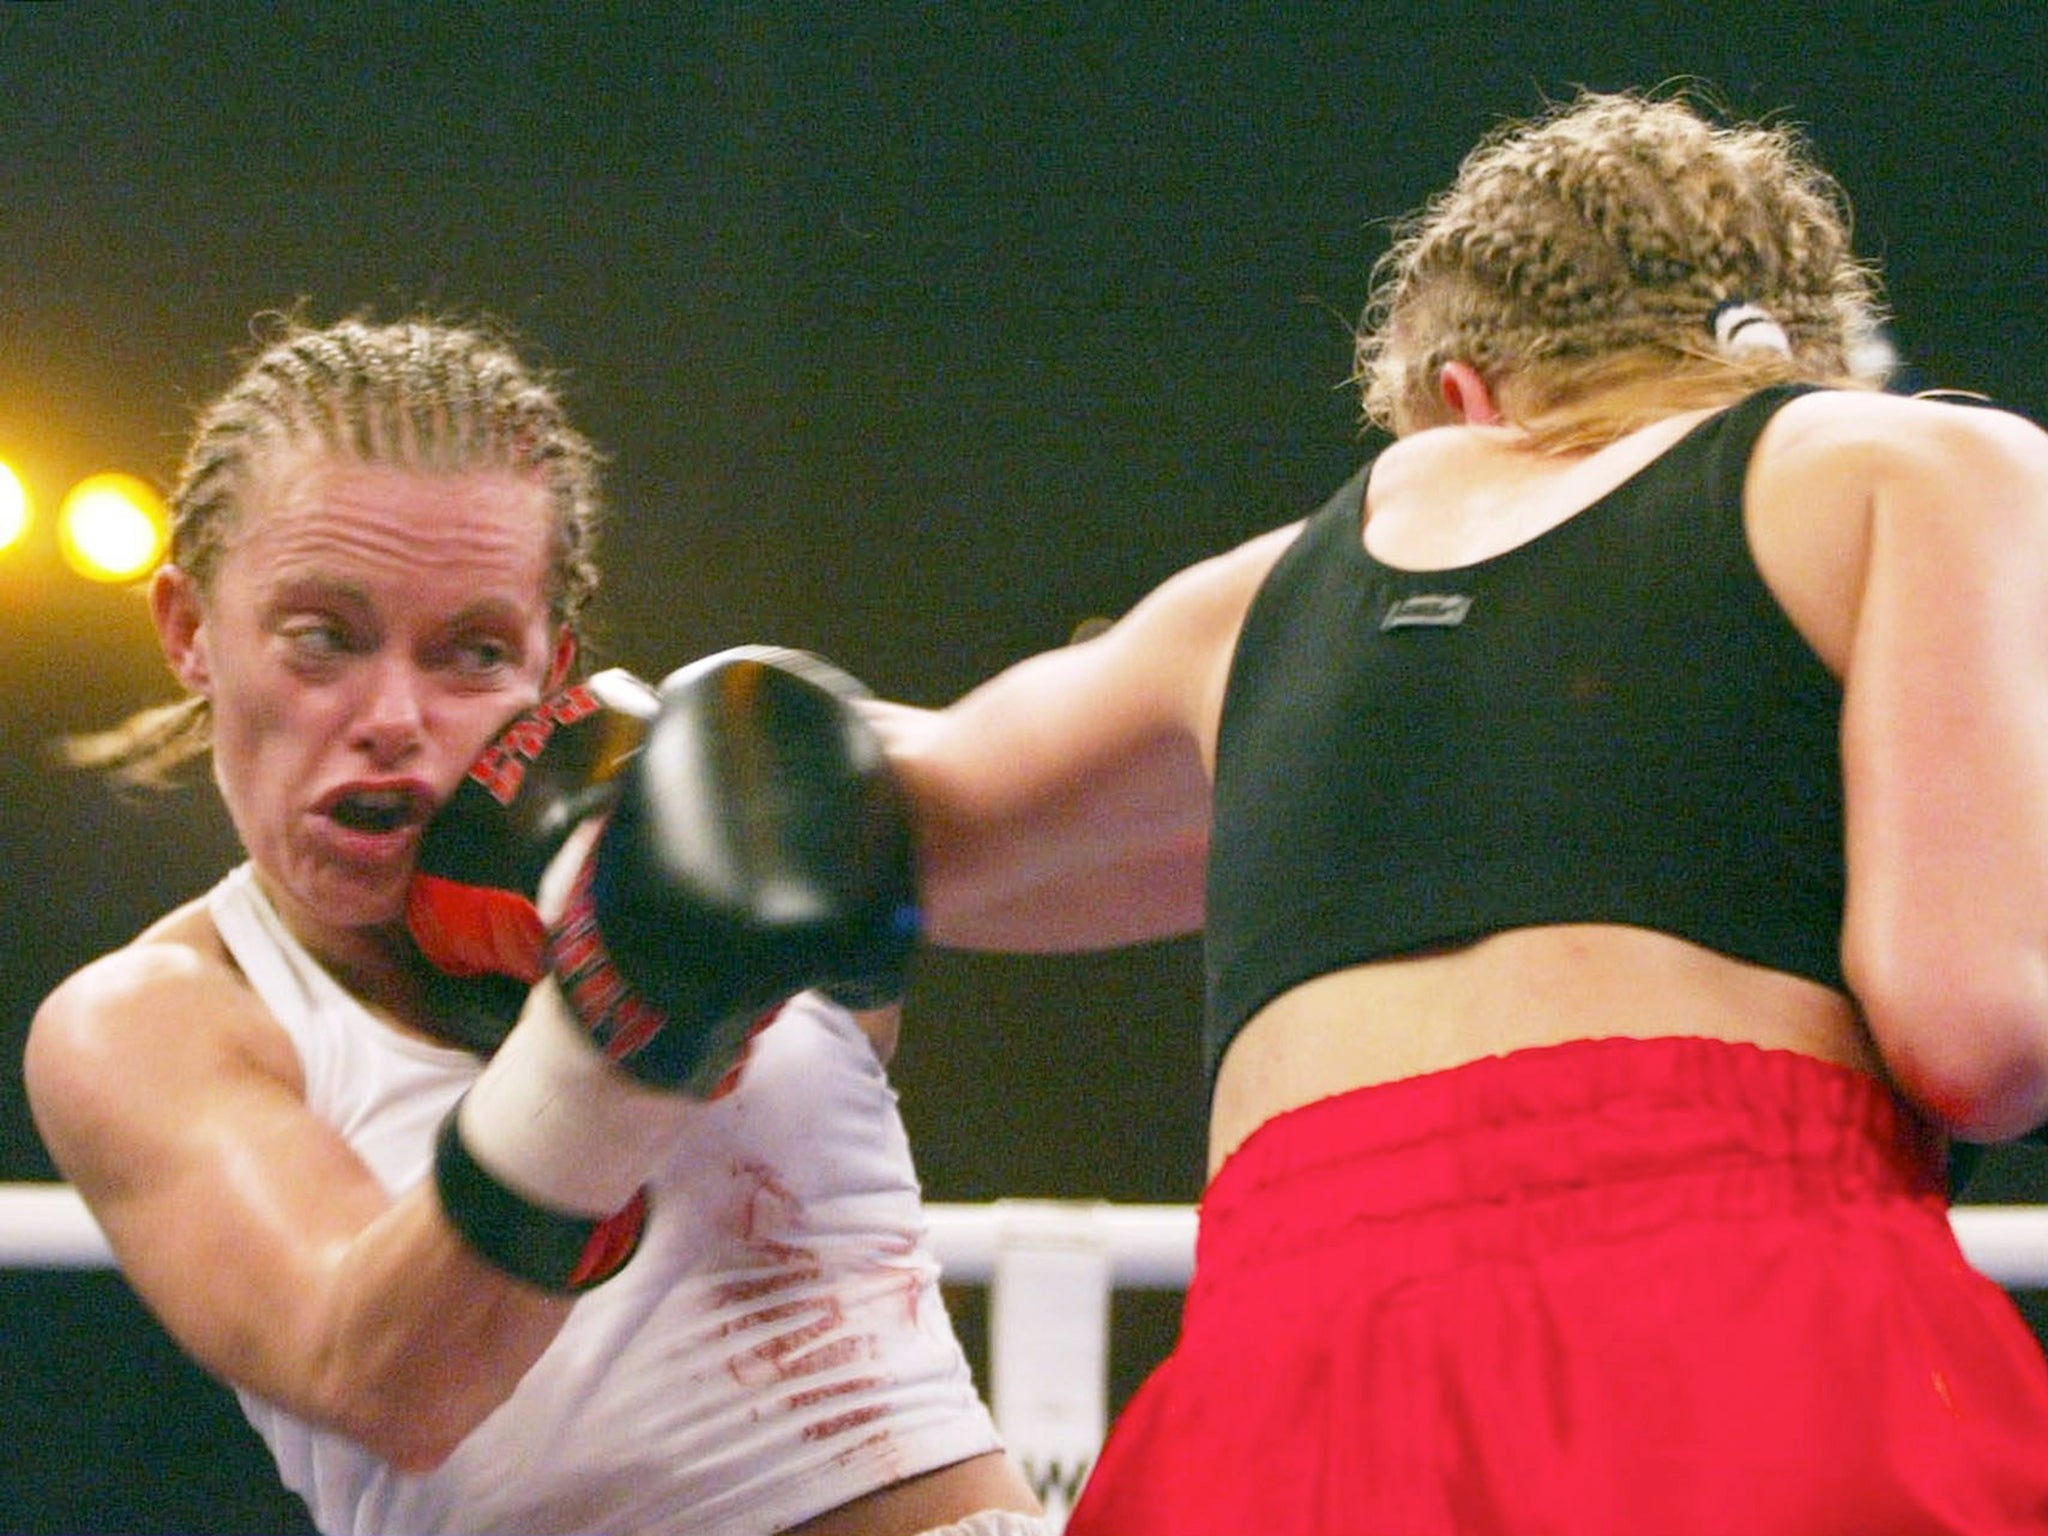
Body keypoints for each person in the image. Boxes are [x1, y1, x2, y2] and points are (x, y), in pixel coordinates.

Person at [870, 90, 2048, 1533]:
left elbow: (857, 820)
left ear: (1463, 395)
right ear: (1798, 348)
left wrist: (604, 732)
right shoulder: (1910, 460)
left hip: (1276, 1402)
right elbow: (1976, 1029)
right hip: (1740, 1325)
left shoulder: (1253, 603)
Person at [24, 314, 1044, 1536]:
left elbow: (1112, 803)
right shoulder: (156, 1020)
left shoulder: (719, 794)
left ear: (552, 668)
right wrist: (626, 1016)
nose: (393, 715)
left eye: (471, 653)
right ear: (189, 630)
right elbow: (382, 1377)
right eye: (322, 638)